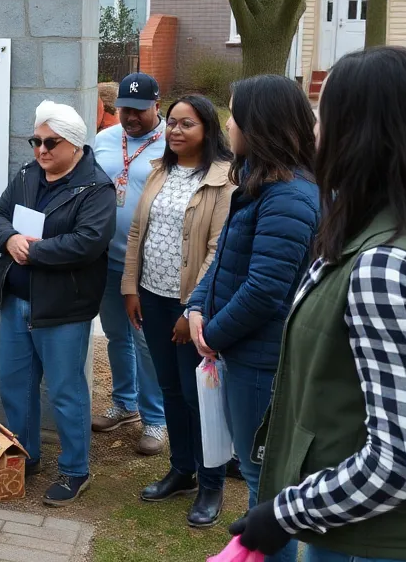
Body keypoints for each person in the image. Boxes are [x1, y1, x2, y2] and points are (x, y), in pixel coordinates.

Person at [233, 47, 406, 562]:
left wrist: (285, 514)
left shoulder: (390, 267)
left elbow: (402, 461)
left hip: (386, 541)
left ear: (359, 134)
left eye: (321, 117)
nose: (313, 133)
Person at [187, 74, 318, 562]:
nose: (228, 123)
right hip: (245, 353)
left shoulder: (289, 195)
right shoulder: (261, 185)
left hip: (264, 362)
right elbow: (225, 258)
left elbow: (265, 289)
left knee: (266, 483)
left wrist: (214, 334)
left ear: (259, 124)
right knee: (258, 474)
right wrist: (197, 305)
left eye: (234, 114)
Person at [0, 101, 116, 507]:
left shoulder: (96, 188)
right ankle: (27, 456)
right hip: (17, 302)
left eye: (50, 143)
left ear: (74, 145)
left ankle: (75, 470)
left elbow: (87, 242)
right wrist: (9, 238)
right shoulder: (27, 175)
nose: (41, 150)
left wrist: (33, 251)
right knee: (15, 384)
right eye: (36, 141)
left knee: (65, 390)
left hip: (63, 308)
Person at [121, 96, 234, 528]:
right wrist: (130, 287)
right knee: (169, 388)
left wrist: (192, 309)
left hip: (193, 306)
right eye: (172, 122)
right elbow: (137, 232)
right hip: (152, 296)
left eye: (187, 124)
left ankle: (212, 482)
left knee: (197, 395)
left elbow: (217, 249)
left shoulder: (223, 179)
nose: (175, 130)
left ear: (208, 129)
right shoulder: (160, 170)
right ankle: (182, 469)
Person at [92, 73, 167, 454]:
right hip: (106, 257)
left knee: (146, 340)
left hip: (147, 263)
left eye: (139, 110)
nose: (131, 117)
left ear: (157, 105)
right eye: (125, 109)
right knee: (116, 334)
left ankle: (156, 418)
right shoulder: (105, 139)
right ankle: (125, 403)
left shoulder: (173, 143)